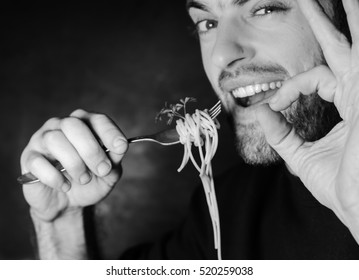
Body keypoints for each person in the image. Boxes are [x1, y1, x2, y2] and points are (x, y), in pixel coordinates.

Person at [20, 0, 359, 259]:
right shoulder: (227, 209)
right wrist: (62, 222)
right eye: (208, 22)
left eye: (264, 8)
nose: (222, 55)